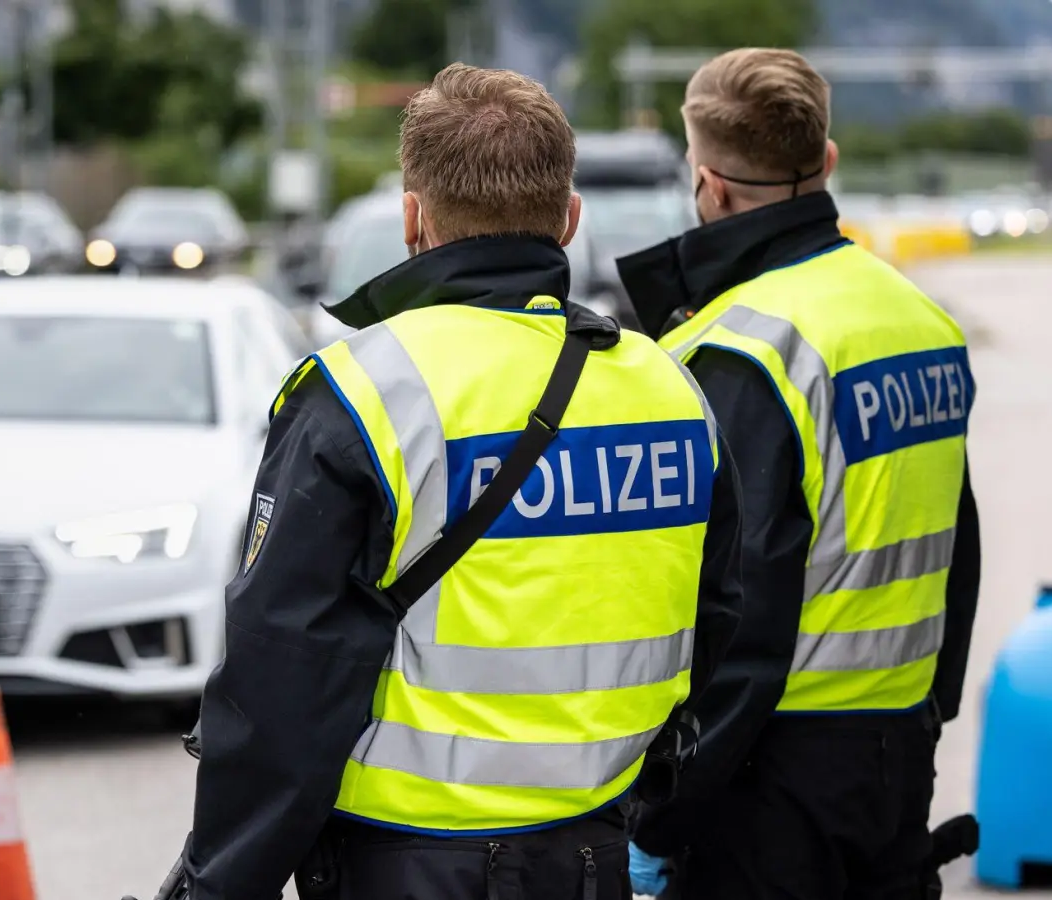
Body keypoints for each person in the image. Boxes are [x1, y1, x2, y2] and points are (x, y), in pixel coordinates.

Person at [163, 63, 747, 900]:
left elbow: (281, 681)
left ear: (413, 219)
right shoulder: (669, 390)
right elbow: (720, 625)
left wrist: (217, 884)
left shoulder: (364, 394)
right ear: (570, 220)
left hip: (407, 867)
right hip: (595, 856)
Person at [616, 48, 983, 900]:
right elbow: (957, 548)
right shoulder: (921, 319)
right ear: (826, 162)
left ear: (707, 185)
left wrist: (662, 813)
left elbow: (740, 615)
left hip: (769, 776)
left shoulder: (741, 352)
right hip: (899, 750)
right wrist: (927, 714)